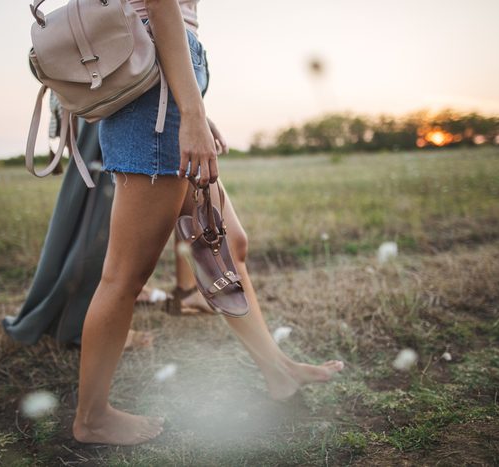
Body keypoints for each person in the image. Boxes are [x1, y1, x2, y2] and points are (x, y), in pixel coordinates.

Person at [73, 0, 345, 446]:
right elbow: (159, 8)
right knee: (124, 276)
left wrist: (193, 106)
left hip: (164, 85)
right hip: (154, 95)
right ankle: (92, 417)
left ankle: (279, 372)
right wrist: (190, 114)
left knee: (227, 243)